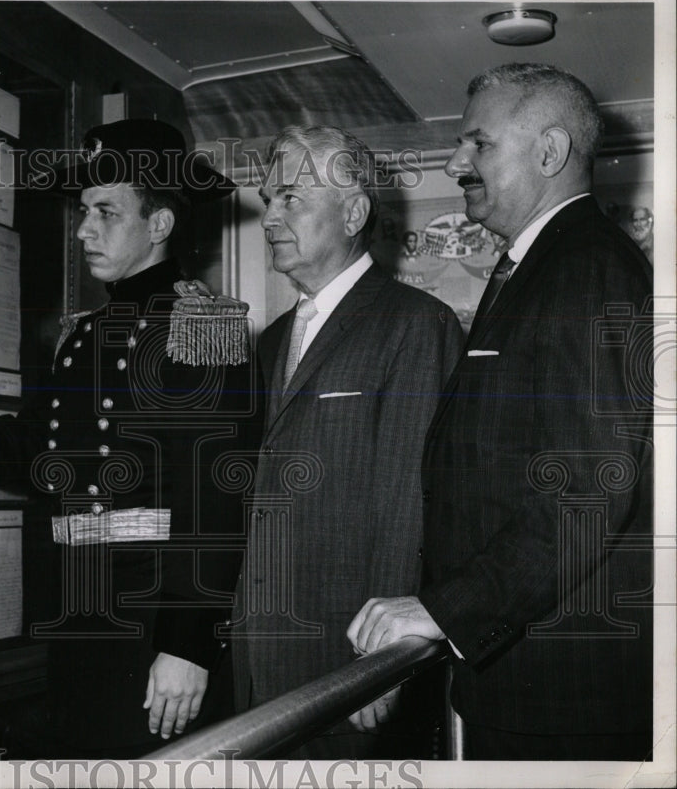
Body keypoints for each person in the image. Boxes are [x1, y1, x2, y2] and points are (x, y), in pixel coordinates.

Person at [0, 119, 257, 758]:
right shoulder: (82, 334)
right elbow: (38, 458)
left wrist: (188, 642)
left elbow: (216, 496)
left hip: (155, 620)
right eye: (82, 212)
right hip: (80, 613)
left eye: (106, 211)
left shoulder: (200, 324)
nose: (82, 230)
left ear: (159, 224)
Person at [348, 63, 653, 761]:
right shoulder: (541, 264)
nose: (456, 163)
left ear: (549, 153)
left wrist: (443, 610)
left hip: (563, 699)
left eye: (477, 144)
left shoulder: (584, 270)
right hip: (532, 679)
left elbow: (586, 488)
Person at [231, 125, 463, 758]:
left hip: (349, 669)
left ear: (355, 212)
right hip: (263, 663)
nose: (269, 216)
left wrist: (383, 660)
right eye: (268, 198)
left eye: (290, 199)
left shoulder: (415, 325)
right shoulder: (273, 339)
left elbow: (405, 501)